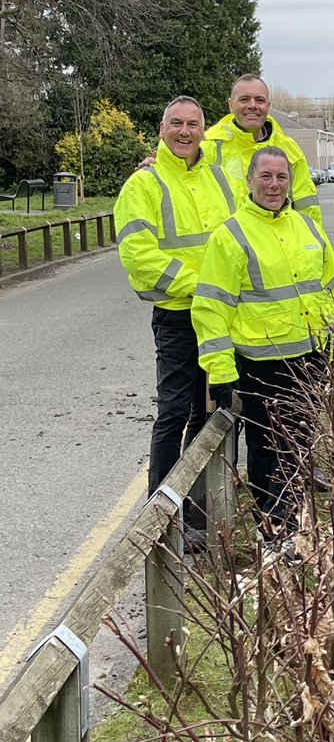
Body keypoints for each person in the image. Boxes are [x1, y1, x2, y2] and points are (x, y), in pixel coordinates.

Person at [191, 146, 334, 532]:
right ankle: (273, 528)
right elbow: (212, 308)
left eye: (281, 177)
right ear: (250, 181)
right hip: (261, 364)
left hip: (310, 359)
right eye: (266, 176)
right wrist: (221, 371)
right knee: (266, 448)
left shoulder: (308, 228)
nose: (274, 185)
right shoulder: (231, 236)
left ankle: (296, 521)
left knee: (301, 442)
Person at [114, 96, 240, 500]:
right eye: (176, 124)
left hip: (221, 319)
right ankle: (162, 513)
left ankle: (201, 510)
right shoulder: (143, 184)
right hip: (178, 316)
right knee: (173, 413)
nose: (185, 131)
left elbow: (244, 234)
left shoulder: (221, 179)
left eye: (192, 124)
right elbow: (139, 255)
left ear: (204, 131)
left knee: (214, 413)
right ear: (162, 129)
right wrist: (202, 285)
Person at [204, 73, 321, 224]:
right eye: (244, 99)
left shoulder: (289, 149)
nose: (252, 105)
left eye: (259, 100)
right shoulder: (209, 148)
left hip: (278, 244)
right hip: (227, 244)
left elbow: (307, 207)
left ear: (268, 105)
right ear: (231, 105)